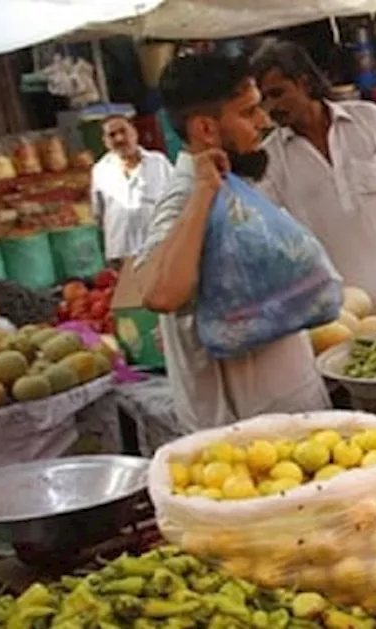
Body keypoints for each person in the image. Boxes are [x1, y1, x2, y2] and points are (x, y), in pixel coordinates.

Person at [137, 52, 330, 431]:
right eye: (248, 113)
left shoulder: (238, 187)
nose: (264, 122)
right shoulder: (185, 199)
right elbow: (159, 294)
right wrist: (204, 190)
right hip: (245, 444)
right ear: (206, 130)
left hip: (295, 421)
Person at [250, 40, 376, 300]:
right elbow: (268, 237)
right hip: (345, 308)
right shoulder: (269, 158)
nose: (271, 107)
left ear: (304, 83)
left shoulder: (371, 120)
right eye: (264, 100)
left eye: (278, 93)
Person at [90, 115, 174, 263]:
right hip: (121, 253)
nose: (119, 139)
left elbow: (178, 199)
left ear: (134, 133)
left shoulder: (159, 163)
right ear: (105, 141)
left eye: (123, 131)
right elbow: (99, 213)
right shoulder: (100, 170)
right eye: (112, 135)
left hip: (160, 248)